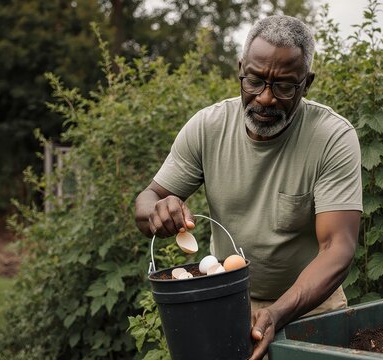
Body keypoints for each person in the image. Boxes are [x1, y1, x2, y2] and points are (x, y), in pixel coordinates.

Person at [134, 15, 362, 359]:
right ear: (241, 69)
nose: (266, 98)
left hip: (311, 306)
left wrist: (277, 313)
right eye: (254, 81)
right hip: (226, 303)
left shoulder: (332, 137)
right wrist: (156, 211)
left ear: (307, 83)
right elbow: (148, 200)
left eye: (284, 86)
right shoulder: (207, 128)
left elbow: (338, 248)